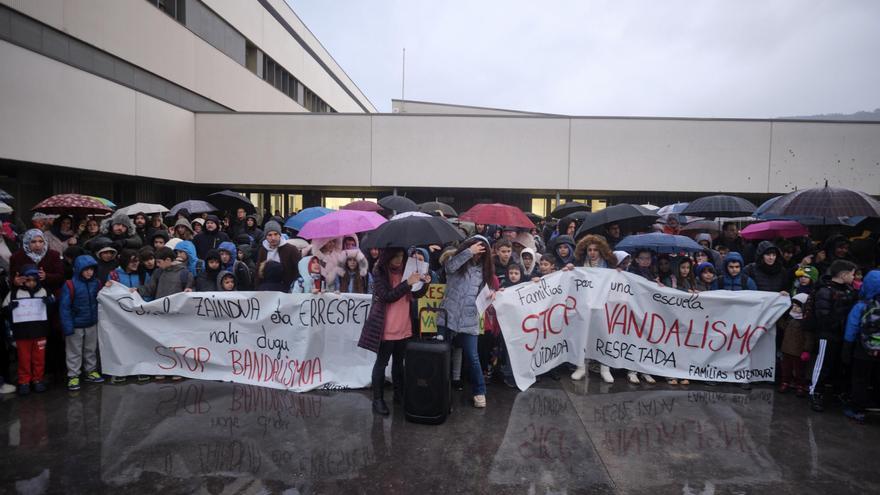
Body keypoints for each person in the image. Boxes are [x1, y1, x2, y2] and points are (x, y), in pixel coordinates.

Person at [358, 248, 431, 415]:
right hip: (386, 327)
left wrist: (424, 282)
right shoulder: (379, 272)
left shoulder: (408, 270)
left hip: (404, 325)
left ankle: (400, 395)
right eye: (395, 256)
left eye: (401, 256)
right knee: (382, 363)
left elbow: (416, 294)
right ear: (388, 256)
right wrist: (407, 283)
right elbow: (386, 296)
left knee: (399, 364)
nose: (398, 260)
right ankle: (378, 400)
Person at [438, 235, 495, 408]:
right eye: (476, 251)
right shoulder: (455, 262)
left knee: (472, 356)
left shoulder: (484, 271)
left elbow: (485, 292)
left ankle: (479, 391)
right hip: (447, 316)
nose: (477, 256)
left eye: (480, 253)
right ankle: (438, 386)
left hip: (469, 319)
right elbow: (449, 268)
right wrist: (468, 253)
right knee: (441, 354)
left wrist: (491, 295)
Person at [808, 259, 857, 412]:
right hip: (827, 335)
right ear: (843, 274)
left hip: (841, 334)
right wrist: (840, 321)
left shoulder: (849, 290)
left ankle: (835, 393)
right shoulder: (825, 291)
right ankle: (815, 391)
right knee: (822, 364)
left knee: (837, 364)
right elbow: (823, 316)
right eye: (852, 274)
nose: (854, 277)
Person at [570, 235, 617, 383]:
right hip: (584, 306)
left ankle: (605, 369)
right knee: (583, 336)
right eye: (589, 250)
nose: (592, 252)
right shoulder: (579, 264)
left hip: (603, 307)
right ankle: (581, 367)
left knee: (604, 336)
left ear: (601, 250)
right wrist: (569, 270)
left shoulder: (609, 267)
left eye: (595, 249)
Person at [2, 265, 53, 395]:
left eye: (34, 280)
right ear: (23, 280)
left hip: (40, 332)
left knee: (39, 359)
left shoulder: (44, 291)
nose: (31, 283)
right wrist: (10, 308)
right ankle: (24, 381)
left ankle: (38, 380)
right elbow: (4, 311)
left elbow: (53, 306)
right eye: (28, 280)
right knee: (24, 359)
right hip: (22, 333)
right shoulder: (14, 293)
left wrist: (49, 303)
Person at [841, 270, 880, 423]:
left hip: (863, 349)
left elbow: (852, 327)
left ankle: (857, 409)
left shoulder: (861, 306)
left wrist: (847, 346)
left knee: (860, 379)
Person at [60, 255, 103, 391]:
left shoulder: (96, 283)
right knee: (74, 351)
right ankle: (73, 375)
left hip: (91, 322)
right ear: (79, 269)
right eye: (86, 269)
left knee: (90, 349)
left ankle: (90, 371)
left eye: (91, 269)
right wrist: (67, 326)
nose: (89, 272)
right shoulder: (70, 285)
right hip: (75, 325)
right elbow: (64, 307)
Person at [779, 293, 813, 396]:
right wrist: (779, 317)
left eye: (797, 306)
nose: (794, 308)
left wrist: (806, 350)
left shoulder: (806, 322)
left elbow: (809, 338)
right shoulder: (790, 318)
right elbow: (783, 327)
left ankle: (800, 385)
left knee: (799, 370)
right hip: (786, 349)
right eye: (793, 306)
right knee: (786, 368)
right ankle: (785, 382)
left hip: (799, 351)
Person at [254, 221, 300, 289]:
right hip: (267, 289)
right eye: (270, 235)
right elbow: (258, 271)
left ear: (280, 235)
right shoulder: (263, 250)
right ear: (266, 237)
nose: (273, 238)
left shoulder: (291, 249)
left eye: (275, 234)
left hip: (287, 289)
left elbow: (298, 270)